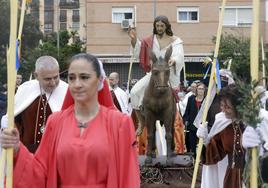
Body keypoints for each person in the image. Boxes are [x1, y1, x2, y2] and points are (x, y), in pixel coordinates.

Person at [0, 53, 140, 188]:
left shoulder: (120, 123)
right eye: (72, 78)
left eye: (84, 77)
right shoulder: (55, 122)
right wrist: (17, 148)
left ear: (99, 80)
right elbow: (40, 172)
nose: (77, 84)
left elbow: (128, 177)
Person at [1, 56, 68, 153]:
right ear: (36, 76)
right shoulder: (26, 89)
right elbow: (12, 119)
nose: (53, 83)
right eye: (47, 79)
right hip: (25, 154)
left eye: (56, 77)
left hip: (54, 155)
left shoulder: (67, 91)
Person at [128, 15, 184, 113]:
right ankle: (141, 122)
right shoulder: (150, 41)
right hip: (154, 75)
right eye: (157, 26)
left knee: (175, 106)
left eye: (162, 26)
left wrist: (174, 60)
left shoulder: (176, 41)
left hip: (169, 75)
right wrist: (133, 40)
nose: (159, 28)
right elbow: (139, 52)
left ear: (166, 26)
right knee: (134, 92)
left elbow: (179, 55)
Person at [197, 84, 245, 188]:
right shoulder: (222, 122)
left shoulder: (254, 122)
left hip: (252, 176)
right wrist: (205, 140)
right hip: (232, 179)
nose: (223, 110)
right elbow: (214, 153)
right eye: (222, 105)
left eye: (227, 107)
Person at [183, 82, 206, 157]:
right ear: (196, 90)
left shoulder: (206, 100)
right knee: (192, 145)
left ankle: (202, 160)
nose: (201, 91)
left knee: (203, 146)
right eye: (199, 89)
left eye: (202, 89)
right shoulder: (191, 99)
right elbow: (187, 112)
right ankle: (194, 160)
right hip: (192, 126)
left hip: (203, 127)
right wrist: (186, 120)